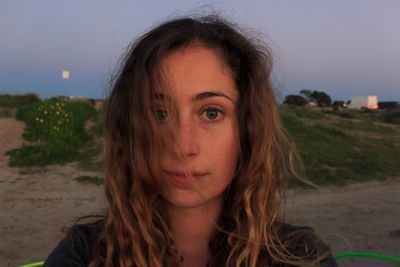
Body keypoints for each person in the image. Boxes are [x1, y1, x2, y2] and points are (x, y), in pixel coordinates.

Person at [45, 15, 338, 267]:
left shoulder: (299, 255)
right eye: (159, 113)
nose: (183, 146)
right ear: (130, 129)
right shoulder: (83, 254)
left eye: (211, 113)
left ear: (248, 130)